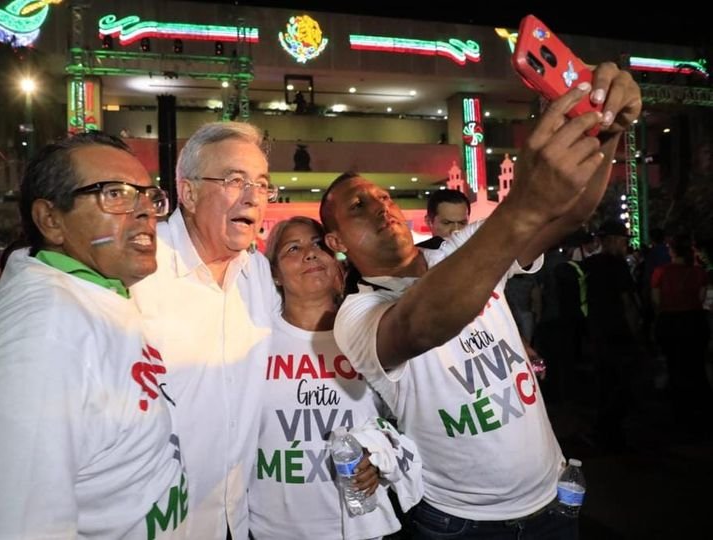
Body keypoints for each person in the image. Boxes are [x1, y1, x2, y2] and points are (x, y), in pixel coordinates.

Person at [320, 67, 641, 538]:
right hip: (463, 523)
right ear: (336, 241)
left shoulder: (462, 248)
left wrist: (610, 127)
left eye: (383, 196)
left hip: (553, 500)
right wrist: (522, 206)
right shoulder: (355, 315)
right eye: (358, 207)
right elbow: (425, 324)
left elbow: (571, 210)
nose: (380, 207)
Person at [0, 132, 188, 539]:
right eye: (116, 194)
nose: (145, 212)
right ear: (51, 220)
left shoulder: (96, 293)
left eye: (147, 196)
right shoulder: (45, 334)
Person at [131, 121, 280, 540]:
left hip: (235, 519)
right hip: (151, 525)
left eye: (263, 184)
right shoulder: (138, 265)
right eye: (235, 180)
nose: (253, 196)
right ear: (189, 192)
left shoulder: (258, 274)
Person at [250, 217, 421, 540]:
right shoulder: (253, 341)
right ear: (274, 273)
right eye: (293, 248)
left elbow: (407, 421)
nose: (310, 254)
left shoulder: (372, 332)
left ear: (338, 263)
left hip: (360, 528)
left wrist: (378, 455)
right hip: (272, 528)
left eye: (318, 244)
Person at [583, 219, 641, 450]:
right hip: (618, 332)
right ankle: (613, 433)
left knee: (605, 382)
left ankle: (603, 431)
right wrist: (636, 330)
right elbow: (627, 301)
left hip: (598, 331)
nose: (626, 245)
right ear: (615, 241)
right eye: (624, 241)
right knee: (620, 384)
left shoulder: (591, 264)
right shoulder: (618, 265)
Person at [651, 234, 711, 434]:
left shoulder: (660, 272)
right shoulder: (698, 272)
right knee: (696, 366)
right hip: (694, 321)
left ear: (671, 251)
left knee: (675, 367)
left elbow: (656, 301)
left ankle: (680, 414)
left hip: (671, 322)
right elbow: (701, 297)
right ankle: (701, 411)